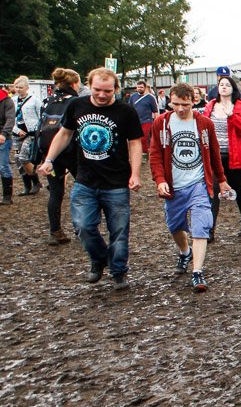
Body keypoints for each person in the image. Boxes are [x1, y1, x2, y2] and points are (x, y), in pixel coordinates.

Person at [36, 68, 143, 289]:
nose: (102, 95)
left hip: (116, 182)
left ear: (116, 89)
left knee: (120, 231)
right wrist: (49, 159)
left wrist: (135, 174)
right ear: (89, 85)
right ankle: (99, 258)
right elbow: (64, 134)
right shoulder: (77, 105)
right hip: (85, 180)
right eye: (97, 90)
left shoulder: (126, 111)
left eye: (107, 90)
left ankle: (119, 271)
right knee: (83, 226)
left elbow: (135, 143)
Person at [151, 83, 230, 289]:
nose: (180, 109)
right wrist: (159, 180)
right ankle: (185, 252)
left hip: (198, 184)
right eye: (176, 104)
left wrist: (221, 180)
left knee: (201, 225)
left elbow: (214, 155)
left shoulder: (204, 124)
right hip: (173, 185)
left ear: (194, 101)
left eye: (185, 104)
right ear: (170, 100)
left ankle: (197, 271)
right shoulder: (161, 123)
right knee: (175, 226)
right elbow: (155, 154)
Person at [35, 68, 83, 244]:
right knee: (82, 189)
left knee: (55, 192)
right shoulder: (77, 102)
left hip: (51, 152)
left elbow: (40, 126)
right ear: (73, 84)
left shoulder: (48, 100)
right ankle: (81, 228)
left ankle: (55, 231)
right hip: (72, 151)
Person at [204, 74, 241, 238]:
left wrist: (232, 116)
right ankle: (210, 230)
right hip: (214, 157)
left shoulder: (240, 107)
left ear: (233, 89)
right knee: (213, 192)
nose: (223, 87)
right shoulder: (210, 106)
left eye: (227, 85)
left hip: (237, 157)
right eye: (221, 84)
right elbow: (203, 129)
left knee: (239, 191)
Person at [11, 76, 43, 196]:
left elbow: (41, 116)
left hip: (31, 133)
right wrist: (16, 129)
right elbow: (9, 118)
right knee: (18, 160)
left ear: (27, 88)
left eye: (21, 87)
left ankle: (36, 181)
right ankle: (26, 186)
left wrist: (39, 131)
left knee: (24, 157)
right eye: (16, 87)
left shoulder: (34, 100)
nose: (18, 89)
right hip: (16, 133)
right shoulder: (12, 101)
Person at [127, 80, 159, 155]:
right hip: (136, 121)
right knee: (135, 139)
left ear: (145, 87)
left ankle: (144, 153)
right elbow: (129, 108)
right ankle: (137, 153)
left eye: (141, 87)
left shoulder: (150, 97)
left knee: (143, 138)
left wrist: (156, 122)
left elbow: (155, 110)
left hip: (147, 120)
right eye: (138, 87)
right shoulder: (133, 97)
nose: (139, 88)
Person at [0, 83, 13, 205]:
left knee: (3, 166)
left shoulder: (6, 100)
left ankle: (7, 196)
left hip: (3, 137)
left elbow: (10, 119)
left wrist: (4, 133)